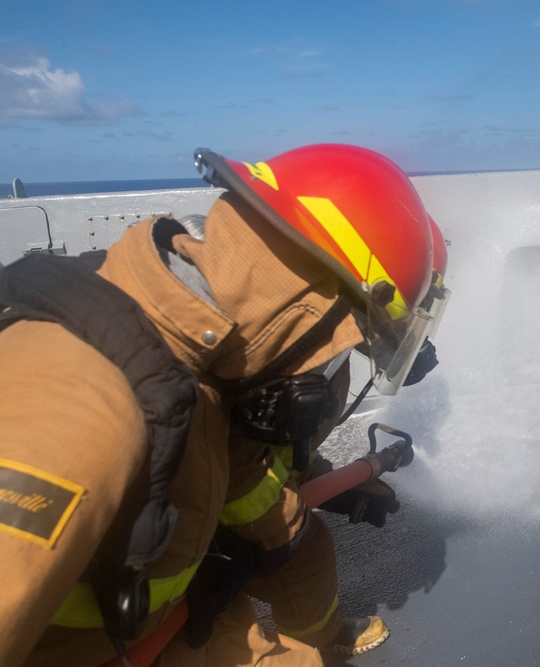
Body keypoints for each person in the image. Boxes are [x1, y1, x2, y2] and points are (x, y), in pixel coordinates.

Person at [0, 143, 449, 666]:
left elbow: (237, 460)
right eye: (344, 343)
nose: (331, 372)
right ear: (304, 306)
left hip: (161, 617)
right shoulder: (83, 406)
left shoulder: (206, 362)